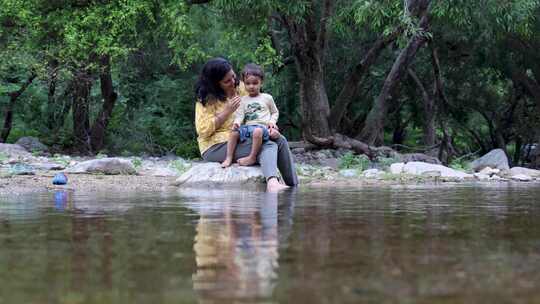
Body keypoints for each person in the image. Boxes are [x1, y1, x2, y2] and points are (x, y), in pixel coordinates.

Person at [194, 57, 298, 192]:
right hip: (214, 146)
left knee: (280, 139)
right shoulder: (206, 99)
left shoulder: (242, 88)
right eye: (227, 81)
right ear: (216, 84)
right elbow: (202, 130)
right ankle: (272, 182)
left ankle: (293, 187)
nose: (233, 82)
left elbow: (260, 109)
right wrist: (227, 111)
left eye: (233, 76)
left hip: (245, 135)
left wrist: (270, 126)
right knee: (269, 144)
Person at [221, 63, 279, 168]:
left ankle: (252, 157)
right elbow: (240, 115)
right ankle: (228, 157)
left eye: (255, 83)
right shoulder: (243, 100)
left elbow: (275, 112)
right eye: (247, 83)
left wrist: (272, 122)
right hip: (248, 127)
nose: (251, 86)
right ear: (244, 83)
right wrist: (237, 123)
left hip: (262, 127)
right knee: (233, 133)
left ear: (261, 82)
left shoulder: (267, 98)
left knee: (257, 131)